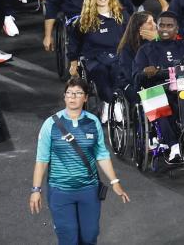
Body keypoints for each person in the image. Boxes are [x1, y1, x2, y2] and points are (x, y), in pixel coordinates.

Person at [30, 78, 131, 245]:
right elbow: (41, 160)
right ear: (64, 97)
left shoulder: (93, 121)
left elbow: (101, 154)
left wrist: (115, 182)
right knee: (68, 238)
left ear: (85, 98)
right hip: (60, 191)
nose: (72, 97)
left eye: (77, 93)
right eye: (69, 93)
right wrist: (35, 189)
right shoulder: (51, 124)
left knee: (89, 237)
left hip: (89, 190)